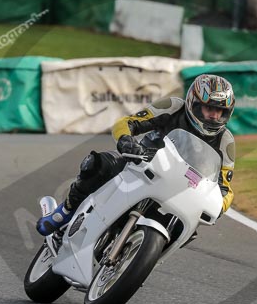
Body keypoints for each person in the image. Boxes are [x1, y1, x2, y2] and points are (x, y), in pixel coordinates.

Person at [37, 73, 236, 235]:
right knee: (97, 164)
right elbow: (127, 122)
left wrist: (219, 205)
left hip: (182, 190)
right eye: (209, 108)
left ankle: (141, 259)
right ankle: (64, 212)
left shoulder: (225, 141)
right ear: (194, 102)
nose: (214, 115)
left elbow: (225, 189)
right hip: (142, 164)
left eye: (220, 111)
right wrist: (126, 140)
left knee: (188, 230)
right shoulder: (174, 107)